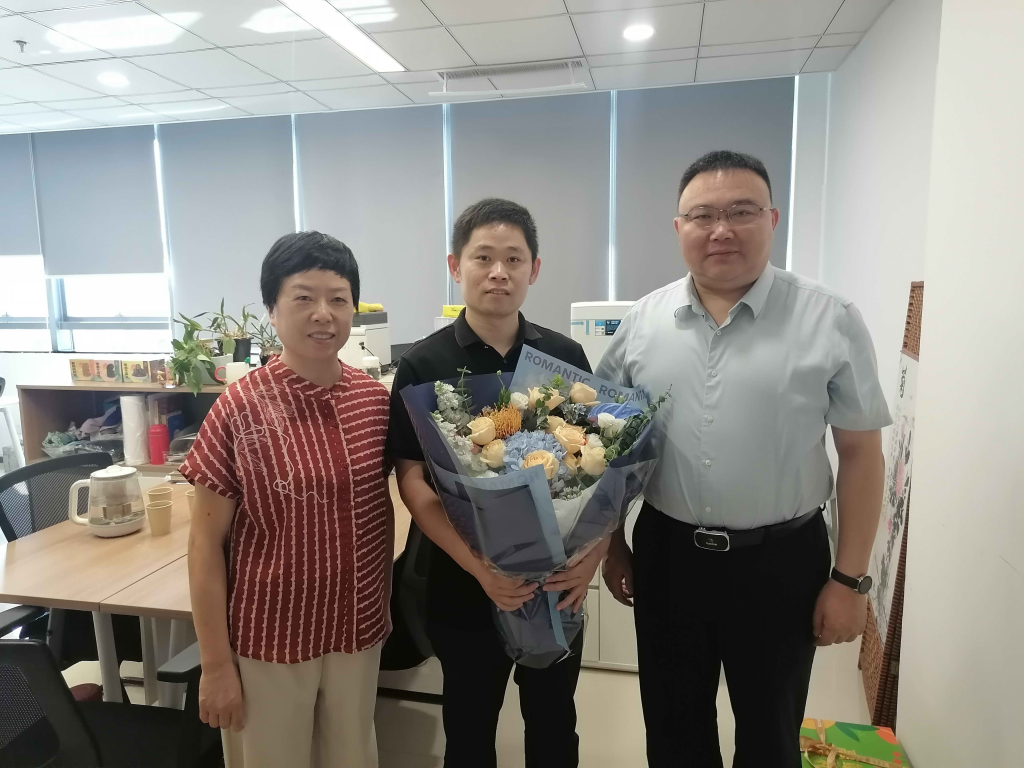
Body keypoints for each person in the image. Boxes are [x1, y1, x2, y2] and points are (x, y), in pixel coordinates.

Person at [598, 150, 891, 767]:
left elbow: (861, 454)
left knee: (770, 734)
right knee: (674, 731)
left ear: (772, 218)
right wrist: (613, 544)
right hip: (668, 557)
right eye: (702, 216)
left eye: (741, 212)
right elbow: (607, 447)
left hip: (781, 564)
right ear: (679, 227)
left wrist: (849, 581)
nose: (721, 230)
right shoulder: (643, 322)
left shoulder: (829, 319)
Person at [387, 198, 598, 768]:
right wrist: (482, 570)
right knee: (469, 727)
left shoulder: (563, 356)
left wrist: (593, 557)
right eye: (483, 257)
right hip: (463, 582)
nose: (498, 272)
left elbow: (598, 466)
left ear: (535, 268)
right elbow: (413, 480)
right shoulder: (423, 364)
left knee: (554, 724)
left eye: (514, 258)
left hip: (555, 580)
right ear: (456, 266)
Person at [182, 232, 393, 768]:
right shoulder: (239, 407)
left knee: (352, 756)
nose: (323, 313)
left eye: (338, 299)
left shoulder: (375, 402)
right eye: (303, 297)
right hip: (270, 635)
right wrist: (215, 665)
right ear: (272, 311)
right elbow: (204, 545)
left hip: (357, 625)